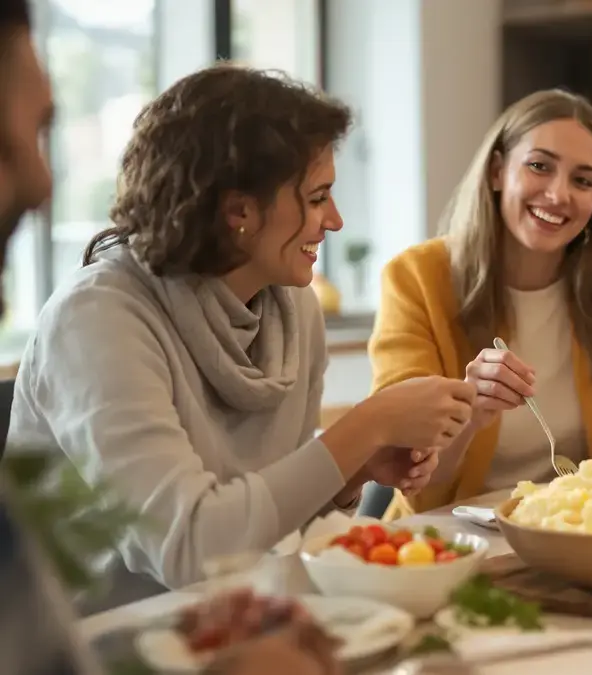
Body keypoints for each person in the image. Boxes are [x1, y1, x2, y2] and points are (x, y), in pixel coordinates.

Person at [6, 64, 477, 611]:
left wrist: (352, 474)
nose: (337, 220)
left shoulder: (293, 305)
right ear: (239, 212)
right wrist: (363, 428)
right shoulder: (95, 319)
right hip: (97, 644)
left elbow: (282, 528)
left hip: (236, 623)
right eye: (318, 196)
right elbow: (191, 550)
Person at [368, 89, 592, 513]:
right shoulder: (414, 277)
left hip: (580, 527)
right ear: (496, 171)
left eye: (583, 180)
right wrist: (471, 412)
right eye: (539, 167)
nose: (558, 194)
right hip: (448, 537)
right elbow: (412, 475)